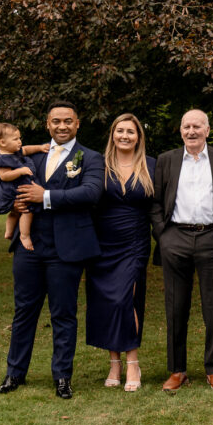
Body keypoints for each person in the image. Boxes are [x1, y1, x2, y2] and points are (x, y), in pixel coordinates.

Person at [0, 101, 103, 399]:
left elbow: (91, 192)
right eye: (56, 121)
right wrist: (13, 204)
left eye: (68, 121)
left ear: (77, 123)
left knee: (63, 314)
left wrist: (47, 196)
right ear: (47, 124)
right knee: (24, 312)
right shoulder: (26, 156)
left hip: (66, 249)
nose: (62, 126)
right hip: (28, 247)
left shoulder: (90, 158)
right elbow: (1, 189)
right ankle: (14, 373)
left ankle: (62, 377)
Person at [151, 109, 213, 393]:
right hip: (175, 237)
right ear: (181, 131)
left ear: (207, 130)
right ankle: (177, 370)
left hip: (212, 237)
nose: (191, 131)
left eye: (197, 126)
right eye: (186, 126)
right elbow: (155, 202)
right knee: (176, 307)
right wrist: (163, 235)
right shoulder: (166, 160)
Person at [84, 114, 156, 392]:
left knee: (127, 299)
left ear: (139, 137)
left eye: (131, 132)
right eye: (120, 131)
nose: (125, 136)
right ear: (112, 134)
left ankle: (133, 363)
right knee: (105, 302)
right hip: (102, 242)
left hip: (134, 241)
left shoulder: (151, 165)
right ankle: (114, 362)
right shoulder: (97, 165)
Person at [0, 123, 48, 251]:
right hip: (12, 189)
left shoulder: (15, 152)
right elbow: (4, 176)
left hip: (15, 188)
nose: (19, 142)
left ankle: (8, 232)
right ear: (3, 142)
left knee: (14, 212)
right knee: (27, 210)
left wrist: (40, 148)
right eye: (15, 139)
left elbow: (26, 149)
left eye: (19, 138)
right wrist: (20, 171)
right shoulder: (3, 158)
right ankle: (24, 235)